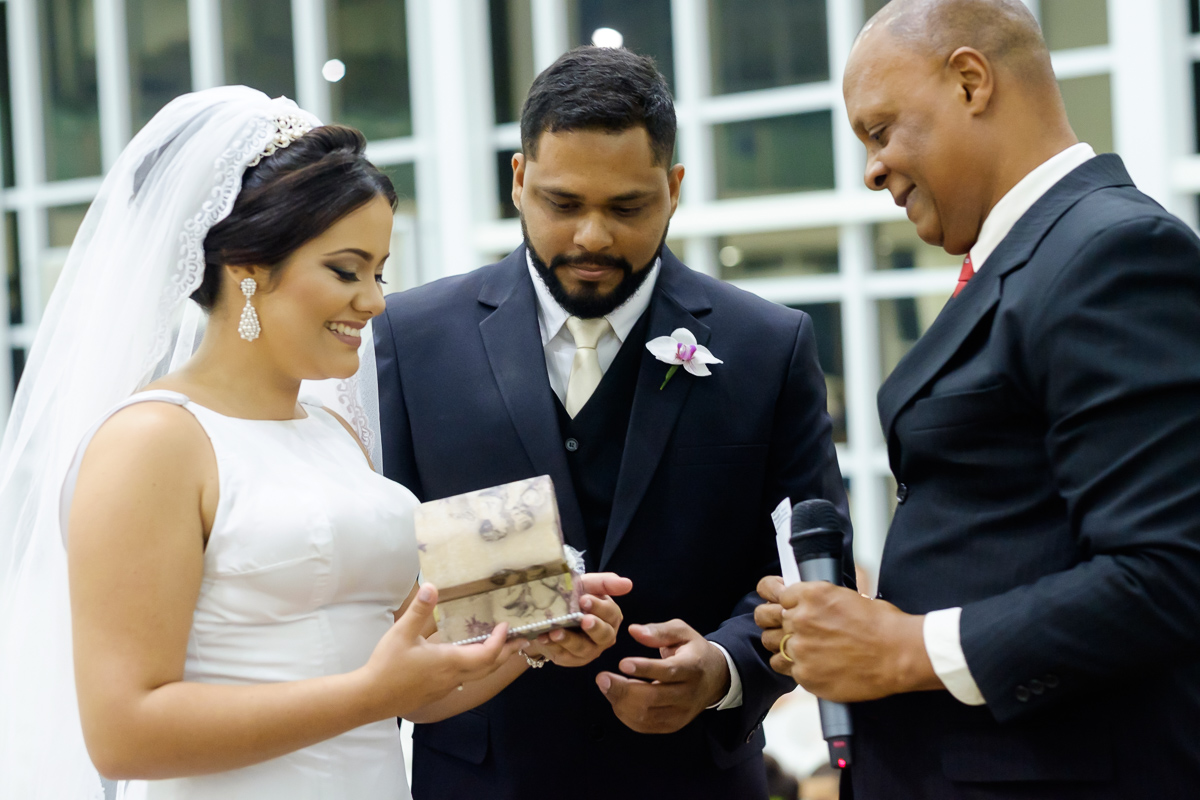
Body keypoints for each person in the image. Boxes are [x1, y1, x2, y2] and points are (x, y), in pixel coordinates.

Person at [0, 86, 625, 799]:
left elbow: (412, 689)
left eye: (380, 271)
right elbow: (123, 733)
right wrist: (368, 692)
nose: (375, 300)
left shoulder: (334, 433)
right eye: (345, 269)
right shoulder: (151, 441)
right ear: (248, 268)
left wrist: (530, 637)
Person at [374, 46, 850, 800]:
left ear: (674, 187)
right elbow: (383, 569)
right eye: (563, 204)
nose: (592, 237)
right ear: (519, 180)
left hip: (692, 778)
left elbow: (807, 572)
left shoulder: (769, 344)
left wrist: (723, 669)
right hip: (480, 779)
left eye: (627, 207)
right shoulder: (408, 335)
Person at [755, 1, 1200, 798]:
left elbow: (1168, 571)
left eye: (879, 130)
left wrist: (906, 649)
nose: (870, 170)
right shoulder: (1038, 258)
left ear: (970, 80)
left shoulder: (1114, 253)